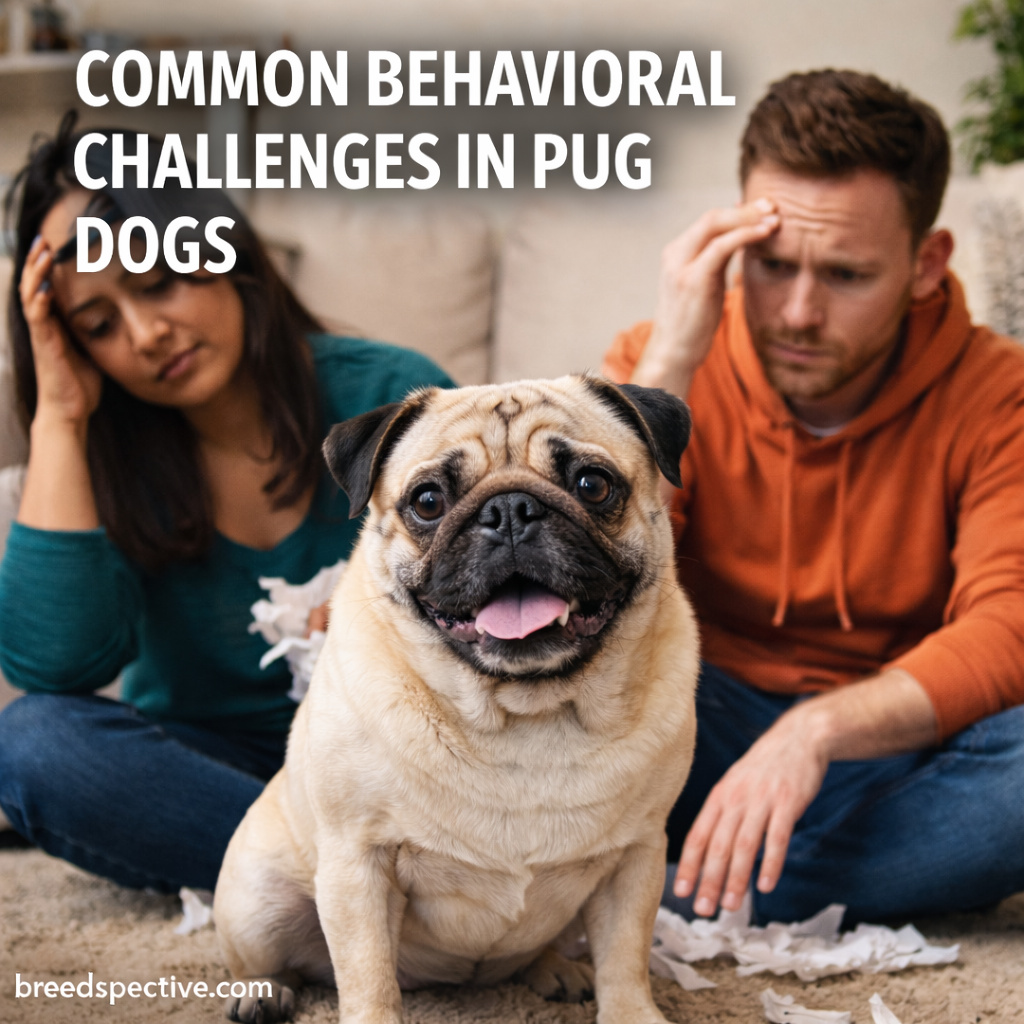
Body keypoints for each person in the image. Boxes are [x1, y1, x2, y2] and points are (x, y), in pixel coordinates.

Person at [603, 70, 1024, 926]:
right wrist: (669, 377)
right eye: (771, 265)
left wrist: (814, 734)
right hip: (695, 718)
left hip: (893, 737)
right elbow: (596, 593)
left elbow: (1007, 625)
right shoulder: (659, 363)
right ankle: (798, 879)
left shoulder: (999, 394)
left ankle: (663, 891)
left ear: (925, 264)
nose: (797, 311)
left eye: (845, 274)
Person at [0, 113, 454, 892]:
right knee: (35, 743)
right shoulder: (99, 451)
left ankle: (342, 889)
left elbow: (481, 605)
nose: (146, 333)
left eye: (156, 283)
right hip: (219, 765)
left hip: (397, 759)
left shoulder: (387, 395)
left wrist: (373, 610)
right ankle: (367, 892)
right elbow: (54, 666)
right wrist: (61, 416)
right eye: (100, 324)